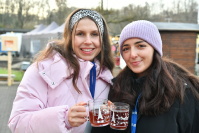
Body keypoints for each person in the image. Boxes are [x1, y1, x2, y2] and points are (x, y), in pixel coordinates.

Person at [8, 8, 114, 133]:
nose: (88, 41)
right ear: (68, 36)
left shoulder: (105, 76)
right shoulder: (42, 70)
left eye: (94, 34)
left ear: (102, 39)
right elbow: (18, 123)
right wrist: (65, 119)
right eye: (80, 34)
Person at [91, 20, 199, 133]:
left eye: (141, 46)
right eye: (126, 48)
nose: (132, 54)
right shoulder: (116, 88)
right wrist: (104, 121)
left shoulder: (183, 91)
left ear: (154, 49)